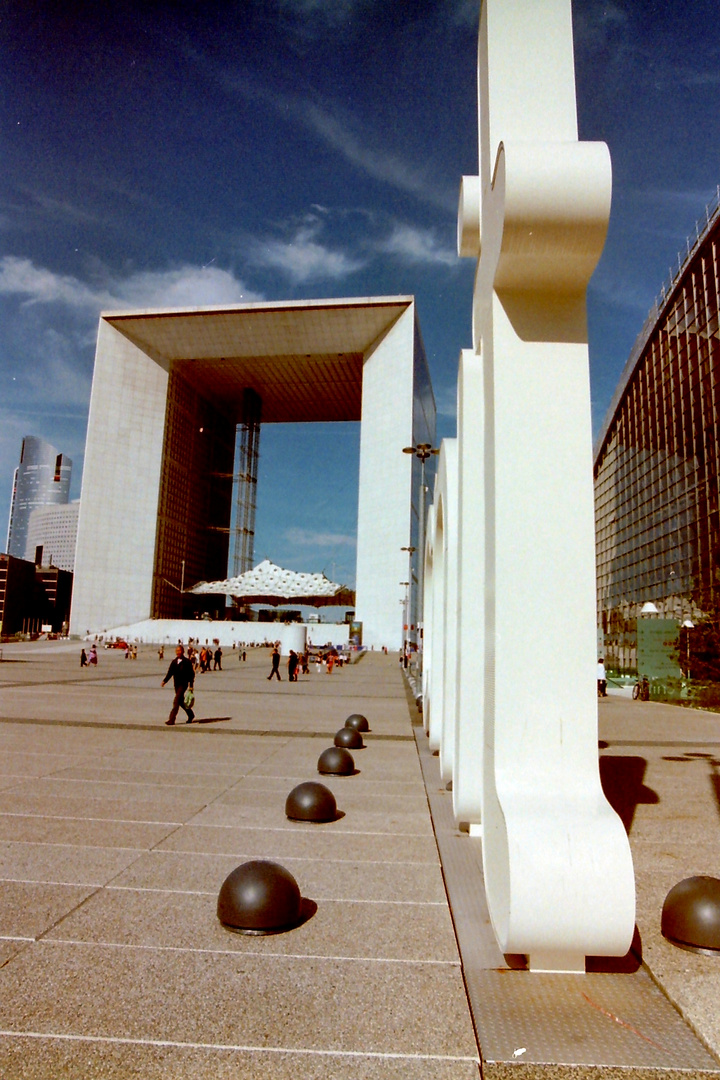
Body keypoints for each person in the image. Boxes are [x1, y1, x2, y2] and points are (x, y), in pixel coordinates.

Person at [162, 645, 195, 725]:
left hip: (183, 684)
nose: (178, 652)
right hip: (176, 685)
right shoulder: (174, 662)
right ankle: (191, 715)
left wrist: (191, 685)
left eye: (179, 650)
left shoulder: (187, 662)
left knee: (176, 701)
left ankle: (172, 719)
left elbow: (191, 674)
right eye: (177, 651)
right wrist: (165, 681)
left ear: (183, 651)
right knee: (181, 702)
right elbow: (170, 673)